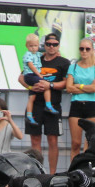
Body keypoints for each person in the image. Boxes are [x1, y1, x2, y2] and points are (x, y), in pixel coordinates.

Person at [19, 32, 69, 173]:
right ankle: (38, 173)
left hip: (52, 105)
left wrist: (50, 86)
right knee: (35, 141)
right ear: (44, 45)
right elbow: (21, 77)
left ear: (58, 45)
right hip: (35, 105)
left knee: (52, 140)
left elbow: (66, 83)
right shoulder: (35, 58)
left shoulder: (64, 62)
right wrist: (30, 87)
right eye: (48, 44)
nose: (51, 47)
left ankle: (52, 175)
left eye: (54, 44)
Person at [65, 38, 95, 156]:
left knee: (90, 142)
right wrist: (87, 87)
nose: (84, 51)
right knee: (76, 143)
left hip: (91, 105)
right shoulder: (73, 67)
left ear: (92, 50)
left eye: (87, 49)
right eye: (81, 48)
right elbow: (69, 88)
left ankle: (87, 170)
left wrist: (79, 85)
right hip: (76, 105)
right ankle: (73, 171)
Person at [21, 34, 58, 123]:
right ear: (27, 46)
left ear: (38, 45)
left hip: (33, 76)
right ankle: (48, 105)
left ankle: (29, 115)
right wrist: (39, 75)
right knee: (46, 85)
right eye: (31, 46)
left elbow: (44, 54)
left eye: (35, 46)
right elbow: (31, 66)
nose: (33, 48)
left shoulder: (37, 54)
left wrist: (56, 53)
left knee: (31, 97)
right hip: (30, 75)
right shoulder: (28, 54)